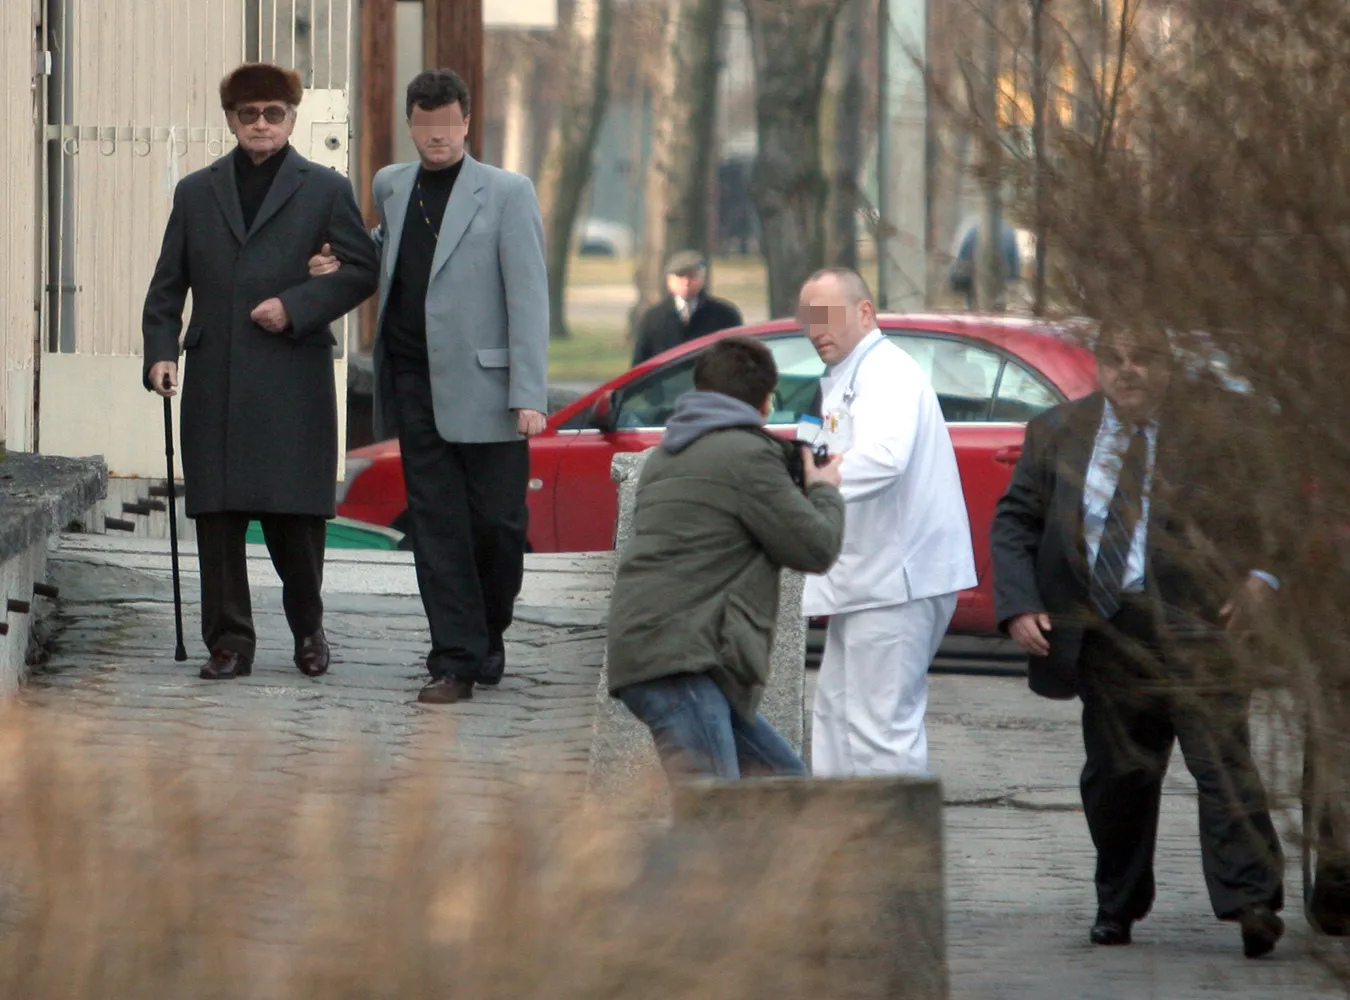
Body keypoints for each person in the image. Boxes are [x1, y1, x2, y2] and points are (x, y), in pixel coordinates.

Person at [990, 322, 1287, 957]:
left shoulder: (1216, 433)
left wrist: (1263, 576)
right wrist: (1019, 605)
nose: (1129, 371)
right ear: (1099, 364)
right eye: (1115, 358)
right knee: (1118, 775)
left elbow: (1277, 507)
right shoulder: (1058, 432)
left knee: (1222, 766)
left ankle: (1252, 901)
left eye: (1144, 357)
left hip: (1200, 627)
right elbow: (1016, 519)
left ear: (1169, 366)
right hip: (1108, 631)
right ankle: (1116, 906)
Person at [311, 69, 549, 705]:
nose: (436, 136)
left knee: (498, 527)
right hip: (414, 384)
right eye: (425, 124)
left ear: (466, 123)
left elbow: (529, 298)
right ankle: (454, 660)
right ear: (412, 124)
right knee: (437, 526)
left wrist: (530, 395)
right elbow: (391, 250)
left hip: (491, 390)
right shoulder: (392, 185)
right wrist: (343, 259)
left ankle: (486, 631)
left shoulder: (507, 192)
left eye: (448, 124)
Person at [142, 62, 379, 682]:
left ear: (292, 119)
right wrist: (161, 352)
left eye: (273, 113)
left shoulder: (326, 188)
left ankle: (308, 629)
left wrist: (296, 306)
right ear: (231, 120)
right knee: (217, 518)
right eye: (248, 114)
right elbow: (168, 286)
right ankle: (230, 643)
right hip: (216, 375)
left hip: (291, 379)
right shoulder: (196, 191)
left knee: (294, 520)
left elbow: (361, 270)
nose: (261, 125)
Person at [606, 337, 845, 781]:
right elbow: (816, 547)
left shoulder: (668, 454)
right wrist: (823, 487)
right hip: (680, 665)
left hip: (660, 656)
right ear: (765, 402)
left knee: (787, 790)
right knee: (711, 823)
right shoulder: (747, 455)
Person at [799, 268, 978, 777]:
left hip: (897, 581)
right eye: (809, 318)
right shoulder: (842, 379)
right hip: (866, 580)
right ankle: (841, 845)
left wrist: (809, 489)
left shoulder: (889, 373)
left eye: (828, 315)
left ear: (864, 311)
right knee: (835, 718)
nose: (816, 329)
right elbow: (813, 449)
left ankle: (897, 853)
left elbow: (883, 457)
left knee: (881, 734)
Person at [631, 251, 743, 366]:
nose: (686, 282)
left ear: (703, 279)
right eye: (680, 276)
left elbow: (739, 358)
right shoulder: (653, 318)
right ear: (669, 281)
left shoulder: (725, 315)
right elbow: (640, 364)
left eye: (692, 276)